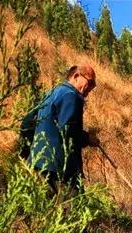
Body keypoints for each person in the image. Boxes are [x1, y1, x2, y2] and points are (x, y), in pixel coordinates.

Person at [28, 65, 99, 194]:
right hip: (61, 170)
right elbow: (68, 130)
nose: (91, 88)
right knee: (72, 208)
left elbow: (27, 123)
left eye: (93, 86)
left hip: (37, 163)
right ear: (76, 77)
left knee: (40, 209)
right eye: (90, 82)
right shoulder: (71, 96)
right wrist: (88, 138)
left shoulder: (51, 93)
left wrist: (33, 149)